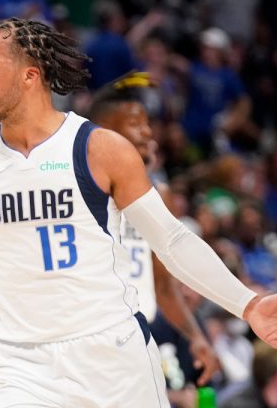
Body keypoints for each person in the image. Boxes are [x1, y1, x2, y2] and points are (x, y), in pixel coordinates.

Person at [0, 17, 277, 408]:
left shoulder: (100, 149)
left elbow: (171, 241)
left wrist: (247, 305)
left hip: (113, 354)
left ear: (29, 76)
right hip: (23, 364)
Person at [88, 70, 219, 385]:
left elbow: (163, 285)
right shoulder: (80, 190)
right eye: (135, 123)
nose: (148, 133)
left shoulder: (159, 196)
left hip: (138, 337)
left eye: (148, 123)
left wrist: (195, 336)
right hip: (90, 341)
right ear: (103, 131)